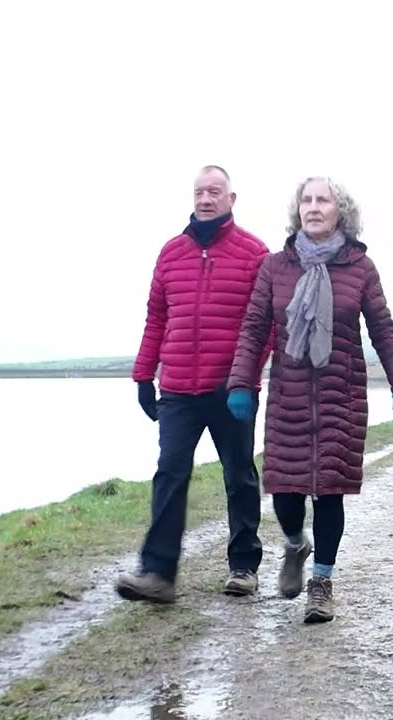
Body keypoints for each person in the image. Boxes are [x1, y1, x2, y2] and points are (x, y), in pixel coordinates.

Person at [225, 176, 393, 623]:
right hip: (288, 395)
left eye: (323, 200)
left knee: (330, 494)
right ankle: (295, 544)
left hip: (342, 396)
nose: (313, 207)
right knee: (286, 495)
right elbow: (255, 329)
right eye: (306, 200)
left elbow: (382, 328)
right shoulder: (275, 267)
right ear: (298, 211)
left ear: (340, 211)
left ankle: (322, 583)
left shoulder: (360, 268)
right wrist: (240, 383)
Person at [116, 165, 272, 604]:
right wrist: (144, 376)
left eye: (215, 191)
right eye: (200, 192)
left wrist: (246, 379)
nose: (206, 199)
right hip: (179, 388)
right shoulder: (170, 254)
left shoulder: (255, 253)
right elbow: (156, 319)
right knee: (170, 473)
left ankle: (244, 567)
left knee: (239, 474)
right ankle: (158, 574)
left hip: (232, 390)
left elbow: (268, 326)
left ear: (231, 199)